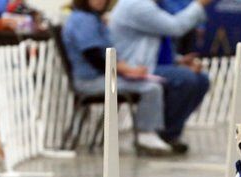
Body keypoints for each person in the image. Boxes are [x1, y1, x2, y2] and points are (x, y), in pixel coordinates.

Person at [62, 0, 173, 155]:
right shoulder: (83, 20)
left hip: (100, 77)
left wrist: (127, 71)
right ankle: (146, 133)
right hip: (91, 81)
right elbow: (94, 56)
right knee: (151, 88)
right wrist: (126, 70)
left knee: (152, 84)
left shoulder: (90, 18)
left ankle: (150, 132)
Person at [110, 0, 212, 152]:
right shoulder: (137, 5)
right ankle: (161, 133)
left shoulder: (151, 5)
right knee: (186, 79)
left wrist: (178, 61)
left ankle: (169, 133)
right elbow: (176, 27)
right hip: (132, 70)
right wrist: (199, 4)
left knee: (201, 80)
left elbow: (149, 48)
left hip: (146, 67)